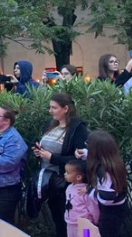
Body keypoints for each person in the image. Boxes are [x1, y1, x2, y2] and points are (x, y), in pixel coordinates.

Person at [33, 93, 88, 237]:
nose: (50, 111)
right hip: (49, 181)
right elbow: (45, 148)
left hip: (65, 182)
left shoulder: (78, 128)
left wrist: (52, 158)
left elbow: (79, 160)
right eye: (50, 107)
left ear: (66, 109)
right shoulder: (50, 124)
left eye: (54, 108)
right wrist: (39, 152)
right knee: (58, 220)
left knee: (69, 222)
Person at [63, 159, 99, 237]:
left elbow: (93, 207)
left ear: (78, 177)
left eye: (68, 173)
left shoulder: (85, 192)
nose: (65, 174)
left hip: (85, 225)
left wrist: (96, 221)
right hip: (70, 224)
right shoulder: (69, 188)